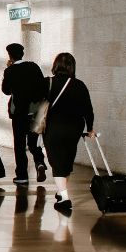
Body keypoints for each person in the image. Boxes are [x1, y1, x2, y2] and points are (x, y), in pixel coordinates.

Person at [43, 52, 95, 215]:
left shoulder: (48, 83)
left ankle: (65, 198)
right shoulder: (79, 85)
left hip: (53, 128)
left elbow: (37, 103)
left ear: (55, 65)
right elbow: (88, 110)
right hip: (74, 129)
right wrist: (90, 128)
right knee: (66, 162)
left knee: (56, 163)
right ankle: (60, 192)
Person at [1, 43, 49, 187]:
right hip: (35, 111)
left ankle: (22, 175)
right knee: (33, 142)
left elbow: (6, 90)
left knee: (19, 144)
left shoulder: (10, 71)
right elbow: (42, 86)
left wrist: (9, 69)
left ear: (10, 56)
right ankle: (40, 162)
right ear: (22, 54)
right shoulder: (33, 67)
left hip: (19, 113)